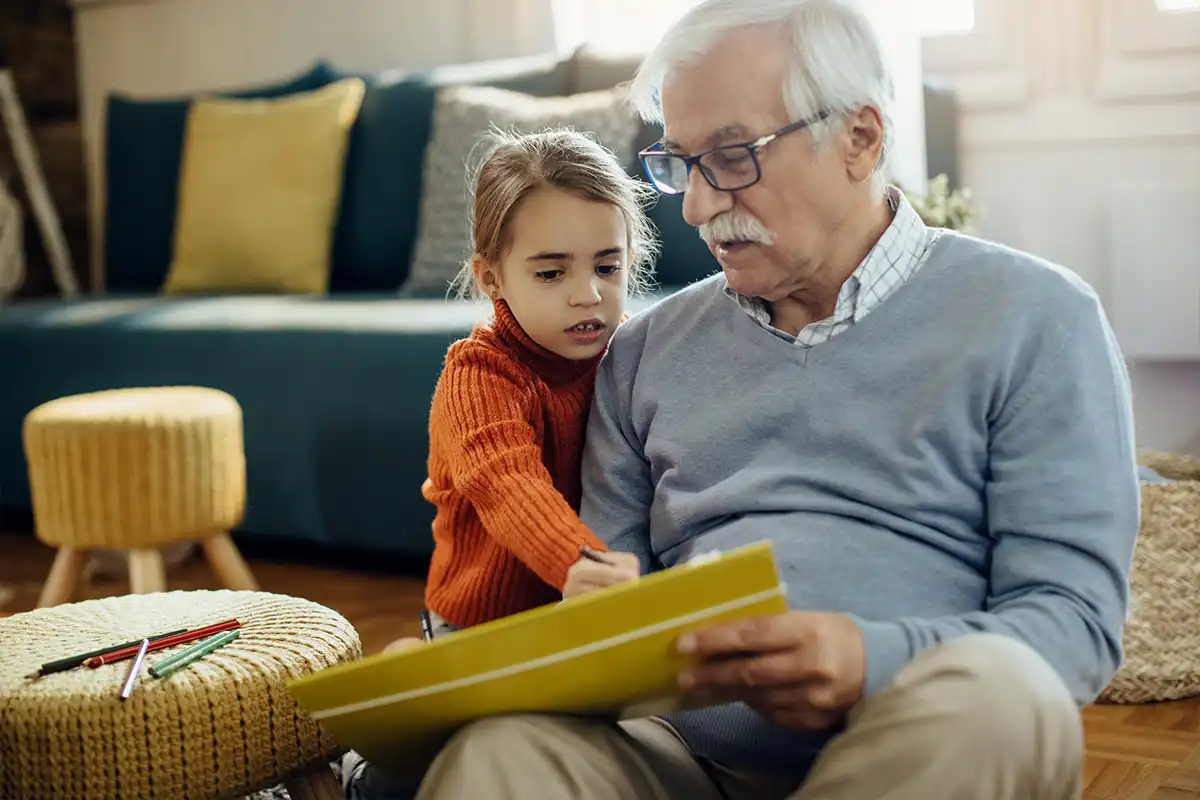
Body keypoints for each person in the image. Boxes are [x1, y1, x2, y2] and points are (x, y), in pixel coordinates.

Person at [410, 1, 1141, 798]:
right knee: (502, 751)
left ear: (860, 139)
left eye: (730, 155)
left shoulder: (1037, 318)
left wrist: (870, 658)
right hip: (681, 760)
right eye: (679, 163)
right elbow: (607, 616)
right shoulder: (643, 353)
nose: (694, 206)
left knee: (1008, 699)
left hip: (912, 742)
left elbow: (1072, 622)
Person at [338, 128, 647, 796]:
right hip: (479, 629)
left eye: (607, 266)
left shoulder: (626, 356)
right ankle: (363, 768)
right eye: (550, 272)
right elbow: (508, 484)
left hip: (576, 624)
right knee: (425, 773)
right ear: (490, 277)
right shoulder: (479, 375)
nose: (587, 295)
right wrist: (580, 562)